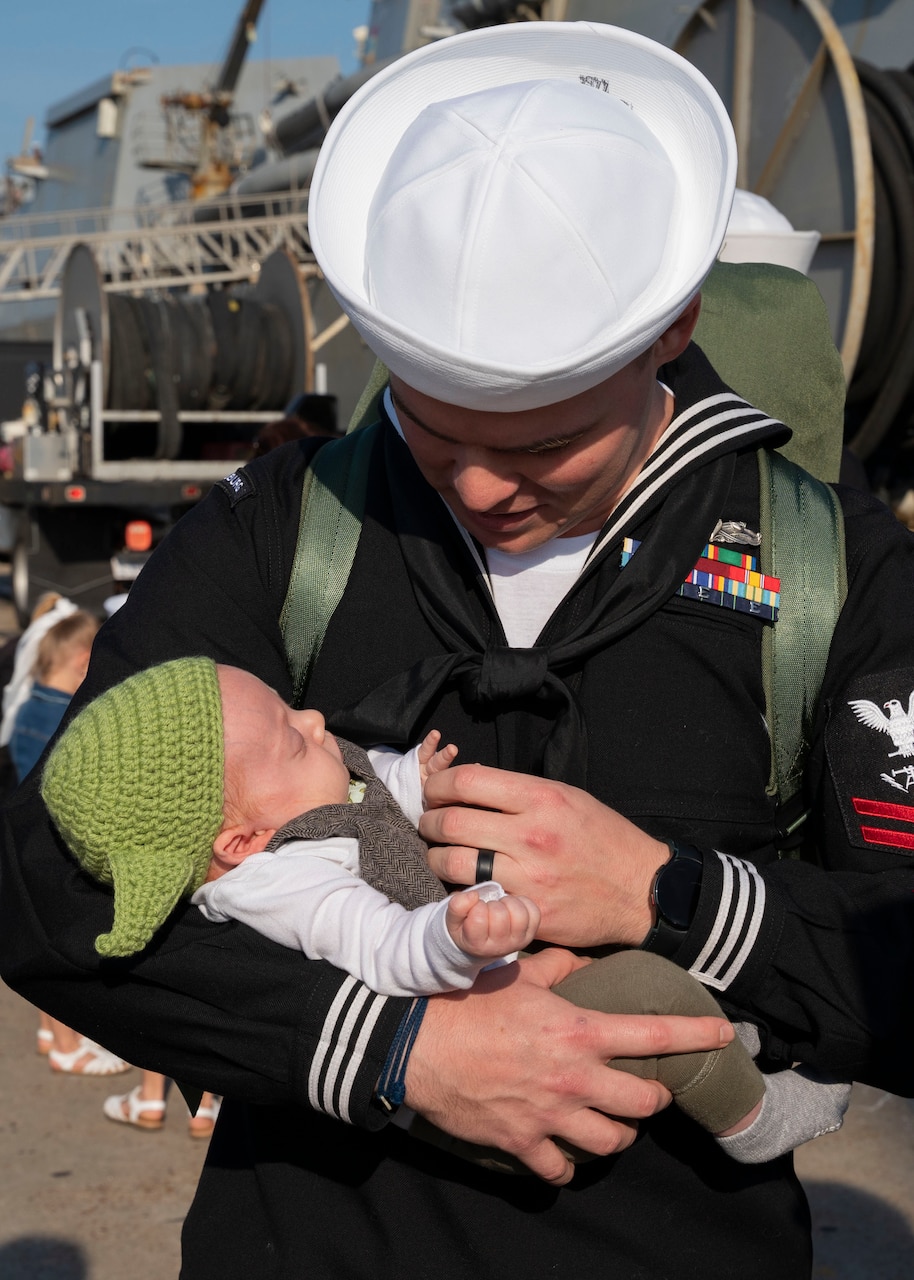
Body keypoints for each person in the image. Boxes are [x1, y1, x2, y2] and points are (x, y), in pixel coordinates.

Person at [1, 21, 913, 1279]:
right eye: (434, 432)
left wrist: (674, 894)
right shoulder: (278, 531)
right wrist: (391, 1047)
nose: (483, 488)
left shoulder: (826, 565)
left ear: (670, 330)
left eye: (543, 447)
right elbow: (47, 878)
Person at [39, 655, 848, 1165]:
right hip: (473, 1084)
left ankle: (729, 1050)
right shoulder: (276, 885)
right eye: (291, 736)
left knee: (626, 977)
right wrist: (454, 933)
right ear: (240, 841)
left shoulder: (301, 807)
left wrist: (412, 779)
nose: (316, 719)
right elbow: (379, 942)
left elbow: (365, 789)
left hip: (505, 1000)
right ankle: (757, 1121)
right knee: (647, 985)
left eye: (293, 708)